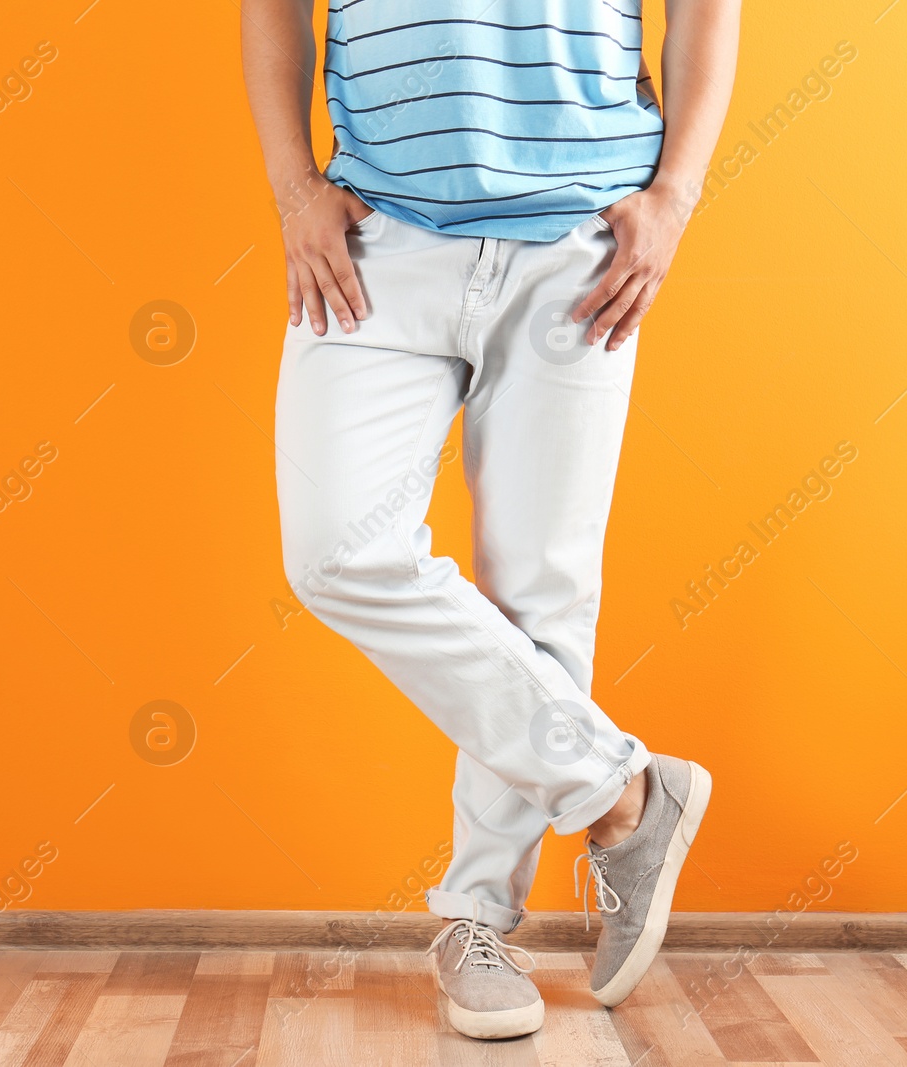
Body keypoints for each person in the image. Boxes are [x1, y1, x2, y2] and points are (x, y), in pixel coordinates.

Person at [242, 0, 741, 1040]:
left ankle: (479, 922)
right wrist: (295, 189)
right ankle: (623, 792)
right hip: (378, 235)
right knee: (338, 548)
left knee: (537, 593)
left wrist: (675, 199)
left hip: (581, 238)